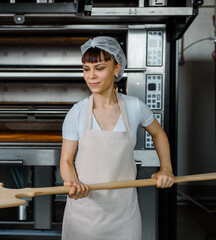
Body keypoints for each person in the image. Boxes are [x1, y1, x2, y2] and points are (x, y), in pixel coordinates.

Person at [60, 36, 175, 240]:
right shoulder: (76, 113)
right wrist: (73, 183)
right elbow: (67, 160)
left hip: (124, 214)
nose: (91, 76)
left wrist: (165, 168)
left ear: (116, 68)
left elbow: (159, 134)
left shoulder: (134, 106)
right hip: (84, 212)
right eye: (86, 69)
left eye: (100, 68)